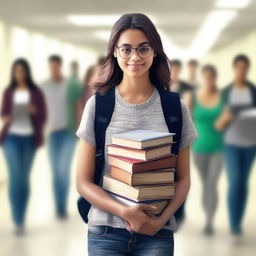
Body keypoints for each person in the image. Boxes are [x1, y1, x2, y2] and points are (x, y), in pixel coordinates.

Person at [76, 13, 198, 255]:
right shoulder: (98, 106)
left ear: (155, 52)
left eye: (143, 48)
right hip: (106, 233)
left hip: (157, 234)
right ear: (114, 52)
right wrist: (124, 212)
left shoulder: (175, 108)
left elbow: (182, 179)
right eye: (126, 49)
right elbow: (83, 182)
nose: (135, 57)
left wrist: (159, 221)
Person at [0, 58, 47, 235]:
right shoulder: (8, 92)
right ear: (13, 73)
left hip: (29, 140)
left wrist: (34, 112)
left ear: (26, 72)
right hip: (11, 139)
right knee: (15, 177)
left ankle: (21, 218)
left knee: (24, 179)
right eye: (16, 71)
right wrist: (7, 117)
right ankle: (17, 219)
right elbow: (3, 113)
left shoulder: (35, 93)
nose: (19, 74)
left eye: (22, 70)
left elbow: (42, 116)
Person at [215, 54, 256, 239]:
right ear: (234, 69)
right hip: (231, 143)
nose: (242, 71)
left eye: (244, 68)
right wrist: (226, 118)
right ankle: (233, 222)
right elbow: (219, 123)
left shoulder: (253, 91)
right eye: (238, 67)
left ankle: (238, 221)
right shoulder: (226, 93)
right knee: (236, 181)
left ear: (248, 69)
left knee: (244, 183)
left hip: (250, 144)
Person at [186, 65, 224, 235]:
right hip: (199, 148)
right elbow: (186, 120)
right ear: (203, 78)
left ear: (215, 78)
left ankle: (209, 220)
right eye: (206, 76)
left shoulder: (222, 97)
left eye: (211, 76)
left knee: (212, 183)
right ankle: (208, 214)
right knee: (205, 183)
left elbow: (230, 117)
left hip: (219, 148)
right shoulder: (193, 97)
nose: (209, 79)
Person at [42, 55, 76, 218]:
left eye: (56, 66)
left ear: (60, 66)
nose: (53, 69)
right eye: (51, 66)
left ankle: (62, 206)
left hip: (67, 133)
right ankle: (59, 207)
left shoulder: (68, 85)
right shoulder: (44, 87)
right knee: (56, 172)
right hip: (52, 134)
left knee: (63, 170)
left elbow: (77, 107)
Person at [67, 61, 83, 136]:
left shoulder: (67, 81)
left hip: (65, 123)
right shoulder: (77, 83)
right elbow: (78, 106)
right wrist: (79, 126)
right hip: (73, 124)